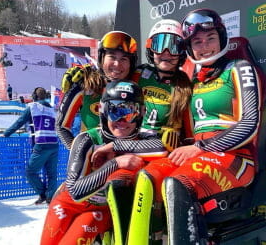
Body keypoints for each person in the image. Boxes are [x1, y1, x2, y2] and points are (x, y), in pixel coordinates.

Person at [125, 8, 265, 245]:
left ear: (221, 37)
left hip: (237, 158)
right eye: (197, 42)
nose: (205, 46)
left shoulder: (239, 69)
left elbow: (250, 124)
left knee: (178, 184)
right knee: (146, 178)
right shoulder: (189, 81)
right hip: (198, 155)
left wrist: (201, 147)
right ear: (189, 47)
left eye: (210, 39)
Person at [91, 19, 193, 245]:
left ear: (182, 51)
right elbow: (112, 79)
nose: (166, 52)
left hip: (155, 152)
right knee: (109, 195)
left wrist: (179, 137)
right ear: (150, 49)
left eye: (173, 46)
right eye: (159, 44)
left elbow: (190, 133)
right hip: (127, 146)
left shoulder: (184, 86)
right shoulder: (138, 74)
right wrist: (88, 74)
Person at [40, 80, 168, 245]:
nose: (122, 120)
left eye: (130, 112)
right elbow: (75, 191)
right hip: (69, 203)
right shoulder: (88, 138)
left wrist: (115, 145)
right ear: (102, 111)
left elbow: (160, 148)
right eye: (114, 111)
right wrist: (115, 164)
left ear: (141, 113)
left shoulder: (145, 137)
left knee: (76, 235)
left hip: (101, 210)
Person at [56, 31, 138, 149]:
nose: (117, 64)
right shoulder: (86, 84)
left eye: (124, 59)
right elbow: (61, 126)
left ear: (131, 63)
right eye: (112, 57)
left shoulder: (137, 86)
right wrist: (81, 154)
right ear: (101, 58)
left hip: (129, 160)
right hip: (94, 163)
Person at [0, 87, 59, 204]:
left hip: (41, 144)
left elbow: (19, 122)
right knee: (52, 174)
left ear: (34, 96)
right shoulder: (52, 109)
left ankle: (43, 194)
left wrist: (6, 133)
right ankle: (50, 197)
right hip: (54, 144)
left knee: (30, 172)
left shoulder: (32, 107)